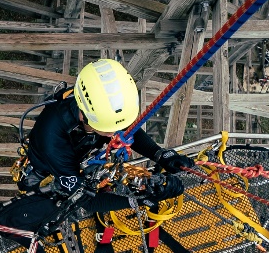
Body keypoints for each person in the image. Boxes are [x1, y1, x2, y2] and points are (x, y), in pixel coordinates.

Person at [18, 58, 193, 206]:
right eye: (109, 129)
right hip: (51, 166)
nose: (115, 133)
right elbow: (85, 200)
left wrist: (159, 154)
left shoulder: (102, 109)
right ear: (85, 116)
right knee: (54, 197)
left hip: (84, 150)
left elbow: (127, 131)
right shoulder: (52, 137)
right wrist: (141, 199)